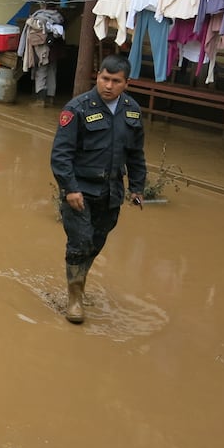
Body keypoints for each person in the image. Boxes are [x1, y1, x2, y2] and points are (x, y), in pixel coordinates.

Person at [50, 54, 146, 324]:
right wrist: (69, 188)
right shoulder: (78, 108)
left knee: (96, 241)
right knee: (79, 241)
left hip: (112, 191)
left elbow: (136, 153)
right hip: (80, 190)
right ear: (98, 76)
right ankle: (74, 298)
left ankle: (80, 281)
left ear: (126, 83)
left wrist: (137, 186)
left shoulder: (132, 110)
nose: (108, 85)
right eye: (104, 78)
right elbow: (61, 154)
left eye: (116, 81)